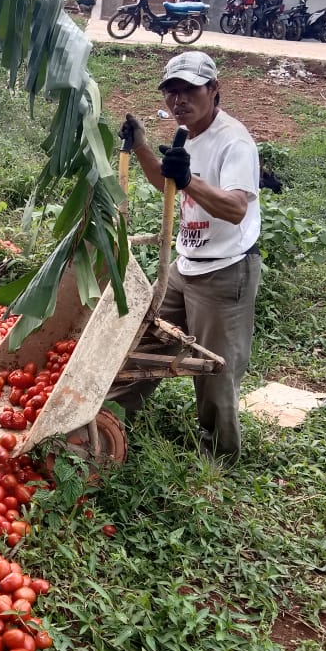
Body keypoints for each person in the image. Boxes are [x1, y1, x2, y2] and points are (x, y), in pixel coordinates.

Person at [119, 51, 261, 464]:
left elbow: (235, 208)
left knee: (217, 370)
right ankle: (114, 415)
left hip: (224, 269)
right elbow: (166, 182)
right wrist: (143, 145)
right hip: (186, 265)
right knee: (146, 342)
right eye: (171, 92)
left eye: (189, 90)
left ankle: (221, 456)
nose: (179, 100)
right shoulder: (188, 135)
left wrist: (188, 180)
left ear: (213, 90)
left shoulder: (233, 140)